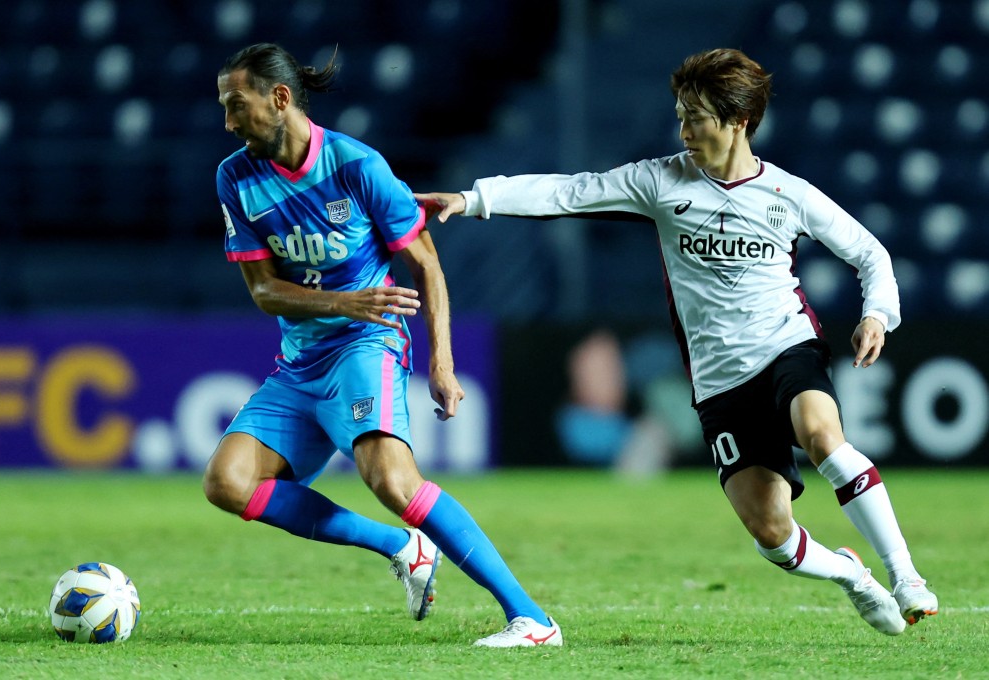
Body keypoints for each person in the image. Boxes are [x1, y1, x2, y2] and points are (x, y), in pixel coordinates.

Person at [417, 48, 938, 636]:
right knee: (772, 534)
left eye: (697, 117)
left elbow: (870, 253)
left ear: (738, 120)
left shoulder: (789, 194)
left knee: (822, 436)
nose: (684, 130)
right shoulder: (661, 181)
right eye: (681, 115)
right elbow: (571, 192)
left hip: (787, 347)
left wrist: (878, 315)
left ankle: (905, 575)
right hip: (718, 381)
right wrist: (474, 199)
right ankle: (852, 575)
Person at [203, 42, 561, 648]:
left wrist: (443, 363)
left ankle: (532, 620)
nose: (229, 122)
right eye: (225, 108)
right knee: (227, 482)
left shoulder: (356, 166)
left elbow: (426, 262)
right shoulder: (235, 176)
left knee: (394, 482)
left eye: (237, 106)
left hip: (368, 343)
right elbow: (264, 290)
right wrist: (343, 300)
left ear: (280, 99)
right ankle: (402, 547)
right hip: (300, 363)